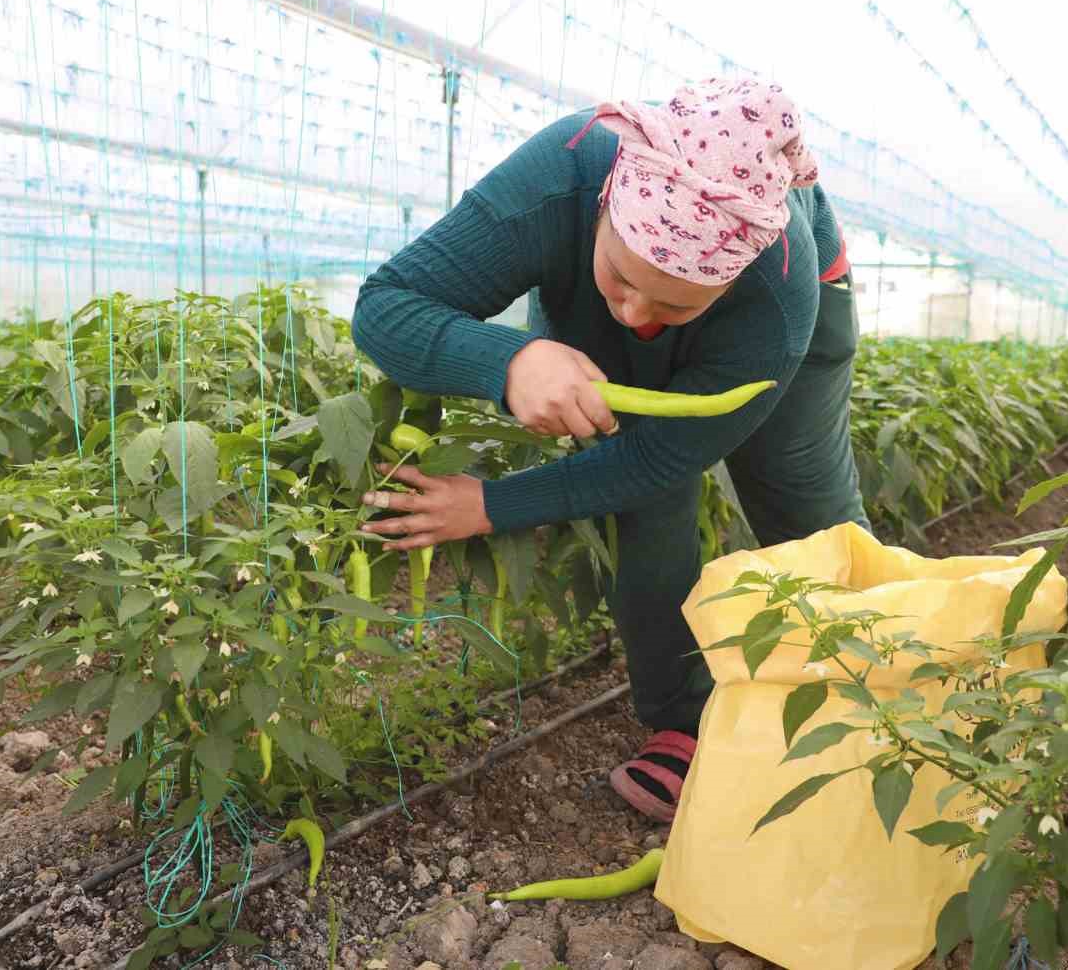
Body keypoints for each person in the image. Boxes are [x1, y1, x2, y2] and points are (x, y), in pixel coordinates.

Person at [351, 77, 867, 823]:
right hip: (595, 264)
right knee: (648, 516)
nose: (636, 314)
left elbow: (661, 454)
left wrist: (492, 506)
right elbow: (386, 307)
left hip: (799, 313)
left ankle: (880, 694)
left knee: (802, 498)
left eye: (674, 303)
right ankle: (682, 723)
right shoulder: (560, 179)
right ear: (604, 211)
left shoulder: (775, 297)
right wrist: (511, 361)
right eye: (622, 280)